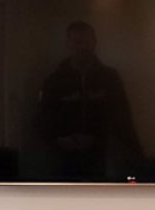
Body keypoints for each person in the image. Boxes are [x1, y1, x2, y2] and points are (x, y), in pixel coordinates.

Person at [35, 21, 144, 178]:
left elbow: (123, 119)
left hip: (101, 160)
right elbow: (41, 122)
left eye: (86, 42)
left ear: (94, 43)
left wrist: (139, 160)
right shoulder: (53, 81)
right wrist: (60, 140)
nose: (82, 47)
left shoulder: (110, 78)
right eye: (76, 42)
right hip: (61, 163)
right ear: (68, 44)